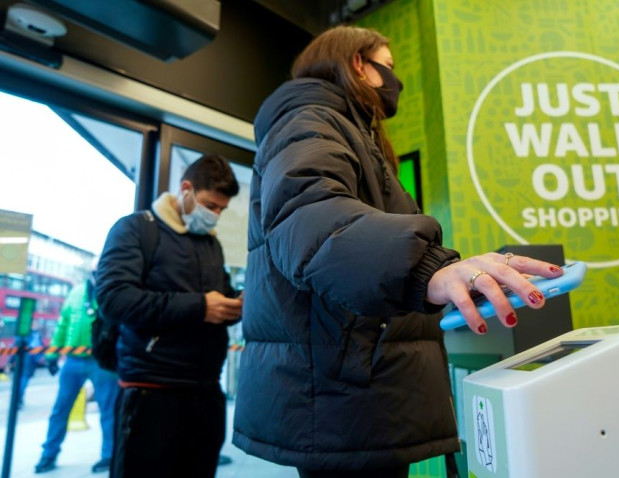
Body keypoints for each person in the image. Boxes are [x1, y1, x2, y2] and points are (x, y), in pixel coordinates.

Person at [232, 25, 564, 478]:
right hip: (346, 395)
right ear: (356, 63)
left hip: (356, 394)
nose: (395, 80)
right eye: (387, 67)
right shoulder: (309, 119)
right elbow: (309, 216)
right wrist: (427, 268)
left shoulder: (343, 129)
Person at [95, 154, 243, 478]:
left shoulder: (210, 245)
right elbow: (113, 298)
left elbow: (218, 299)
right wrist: (201, 307)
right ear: (186, 189)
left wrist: (235, 305)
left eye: (221, 209)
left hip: (205, 391)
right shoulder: (135, 229)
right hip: (150, 391)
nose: (215, 215)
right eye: (210, 205)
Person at [34, 277, 118, 474]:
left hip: (102, 360)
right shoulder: (76, 292)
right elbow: (63, 323)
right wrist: (52, 354)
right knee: (60, 409)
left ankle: (109, 455)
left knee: (108, 410)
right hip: (73, 359)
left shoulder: (112, 289)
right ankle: (48, 454)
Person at [14, 326, 44, 409]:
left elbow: (16, 345)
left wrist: (10, 361)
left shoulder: (23, 333)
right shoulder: (35, 334)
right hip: (29, 360)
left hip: (22, 359)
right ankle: (18, 399)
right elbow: (39, 348)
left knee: (20, 380)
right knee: (24, 380)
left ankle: (17, 399)